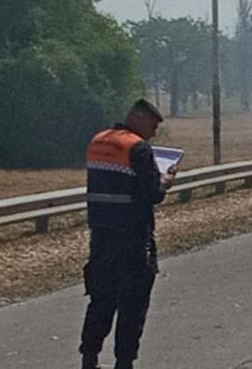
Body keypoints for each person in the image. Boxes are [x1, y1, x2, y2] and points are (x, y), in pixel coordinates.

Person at [80, 99, 176, 369]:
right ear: (139, 117)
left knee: (101, 299)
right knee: (133, 303)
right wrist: (165, 181)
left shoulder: (98, 141)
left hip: (101, 236)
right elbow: (153, 194)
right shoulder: (138, 148)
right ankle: (124, 361)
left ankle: (89, 356)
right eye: (153, 126)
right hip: (133, 238)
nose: (153, 133)